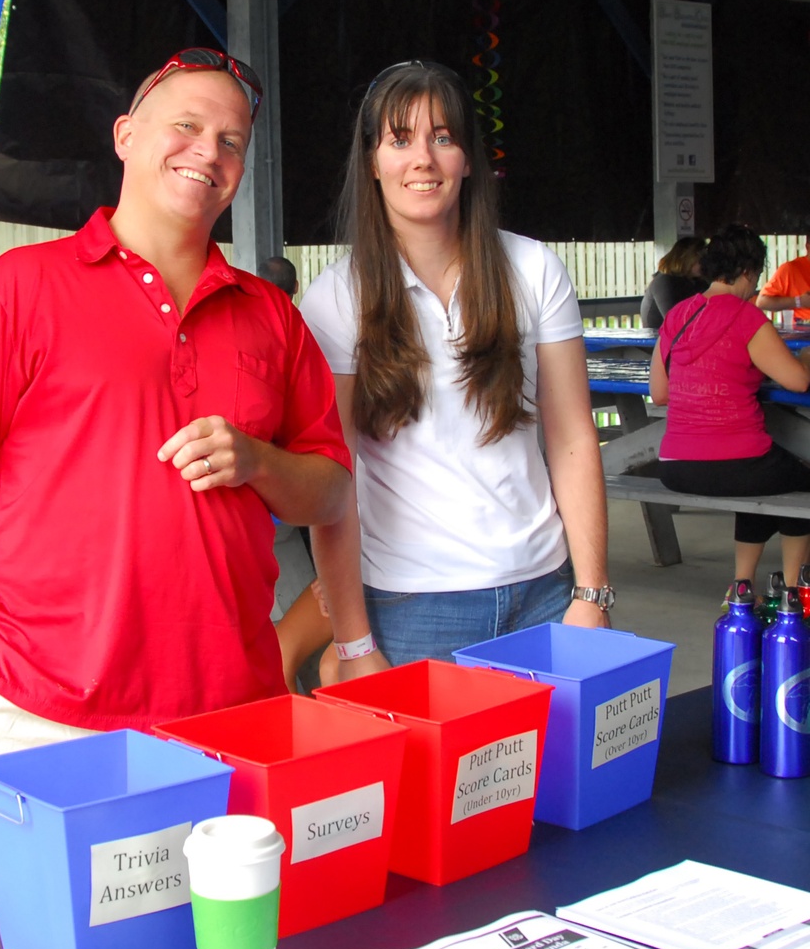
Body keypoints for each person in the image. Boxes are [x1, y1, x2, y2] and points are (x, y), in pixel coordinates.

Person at [0, 47, 351, 914]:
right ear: (125, 135)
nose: (207, 152)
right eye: (186, 125)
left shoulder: (271, 315)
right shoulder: (21, 287)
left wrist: (259, 462)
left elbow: (332, 492)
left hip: (226, 713)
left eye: (230, 140)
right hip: (36, 705)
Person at [299, 59, 612, 679]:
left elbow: (573, 435)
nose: (423, 158)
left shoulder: (533, 268)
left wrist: (591, 592)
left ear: (468, 159)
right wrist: (355, 642)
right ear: (372, 161)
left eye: (443, 137)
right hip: (412, 607)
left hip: (545, 590)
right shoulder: (336, 299)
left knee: (554, 778)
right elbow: (335, 480)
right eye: (400, 139)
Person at [650, 224, 810, 588]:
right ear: (749, 271)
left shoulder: (677, 316)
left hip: (674, 465)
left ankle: (740, 587)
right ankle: (791, 592)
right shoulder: (747, 317)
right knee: (799, 483)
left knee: (761, 482)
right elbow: (797, 381)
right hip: (737, 461)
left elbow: (659, 392)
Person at [639, 236, 707, 328]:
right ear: (686, 260)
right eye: (700, 260)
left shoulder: (697, 282)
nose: (705, 263)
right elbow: (675, 322)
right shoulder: (664, 282)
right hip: (659, 339)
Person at [756, 236, 810, 323]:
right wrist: (799, 301)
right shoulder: (791, 269)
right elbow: (762, 302)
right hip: (803, 331)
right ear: (808, 247)